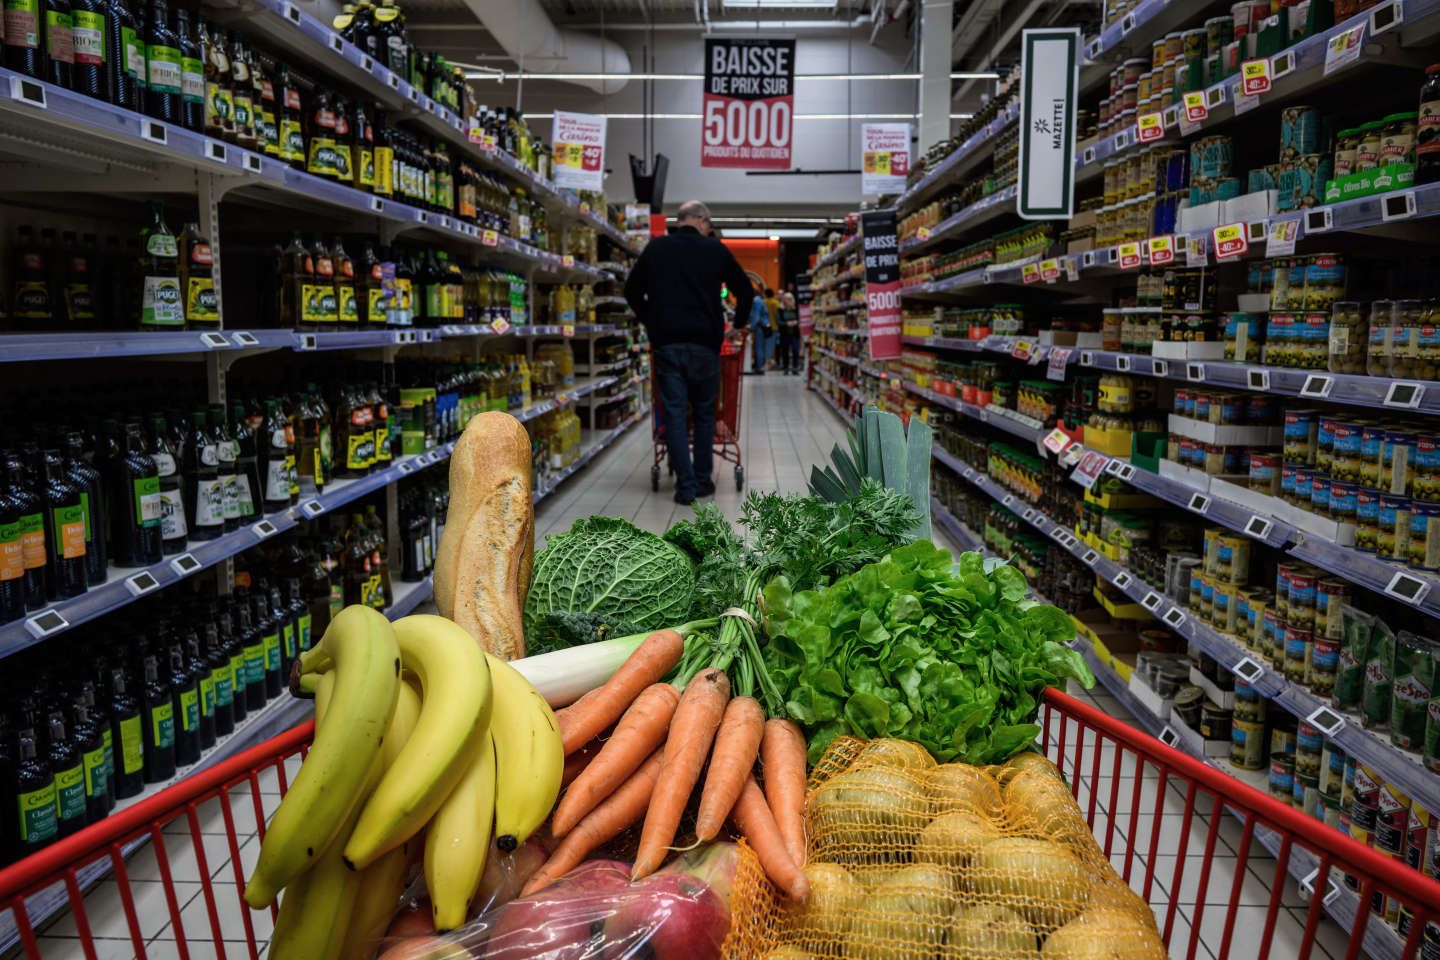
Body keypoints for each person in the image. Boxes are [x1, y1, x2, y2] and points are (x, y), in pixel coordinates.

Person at [624, 200, 754, 505]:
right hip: (705, 346)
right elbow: (745, 291)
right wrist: (737, 325)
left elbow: (631, 291)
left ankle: (684, 487)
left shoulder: (656, 249)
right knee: (705, 413)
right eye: (708, 223)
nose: (709, 228)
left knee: (675, 413)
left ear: (680, 220)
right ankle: (702, 481)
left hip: (667, 343)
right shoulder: (715, 249)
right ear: (701, 220)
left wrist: (652, 321)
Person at [746, 287, 773, 375]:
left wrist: (751, 328)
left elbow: (756, 317)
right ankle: (760, 366)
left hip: (760, 327)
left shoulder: (756, 301)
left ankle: (760, 367)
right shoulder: (760, 300)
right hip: (764, 326)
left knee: (759, 347)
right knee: (761, 347)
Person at [776, 291, 801, 375]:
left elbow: (800, 319)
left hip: (794, 333)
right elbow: (778, 321)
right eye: (786, 299)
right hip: (784, 333)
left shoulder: (796, 309)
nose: (787, 301)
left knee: (795, 350)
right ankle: (786, 368)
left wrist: (796, 322)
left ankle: (795, 368)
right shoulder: (780, 310)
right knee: (785, 351)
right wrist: (787, 323)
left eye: (789, 299)